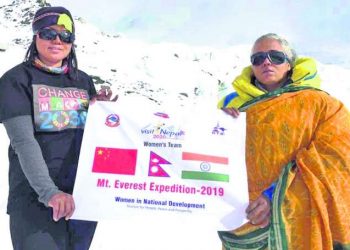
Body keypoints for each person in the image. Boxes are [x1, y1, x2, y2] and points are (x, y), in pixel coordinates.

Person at [218, 33, 350, 249]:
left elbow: (340, 157)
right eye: (258, 58)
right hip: (242, 218)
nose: (266, 62)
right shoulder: (234, 108)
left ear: (289, 64)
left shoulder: (322, 105)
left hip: (300, 217)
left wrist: (274, 196)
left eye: (275, 56)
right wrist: (218, 121)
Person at [0, 6, 116, 250]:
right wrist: (49, 193)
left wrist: (101, 112)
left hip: (81, 199)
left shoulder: (82, 81)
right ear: (35, 36)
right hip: (36, 199)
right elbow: (23, 141)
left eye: (66, 36)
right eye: (48, 33)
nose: (57, 41)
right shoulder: (16, 80)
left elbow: (92, 137)